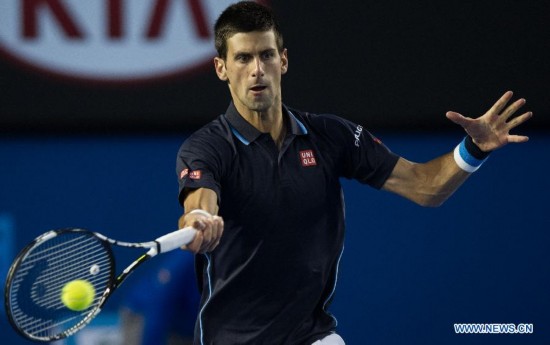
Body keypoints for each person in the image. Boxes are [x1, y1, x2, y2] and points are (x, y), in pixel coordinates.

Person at [175, 2, 532, 344]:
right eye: (243, 58)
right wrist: (200, 220)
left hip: (311, 335)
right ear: (221, 68)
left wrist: (474, 149)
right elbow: (199, 204)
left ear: (283, 61)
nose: (257, 69)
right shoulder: (207, 147)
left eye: (266, 55)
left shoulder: (331, 135)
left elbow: (427, 187)